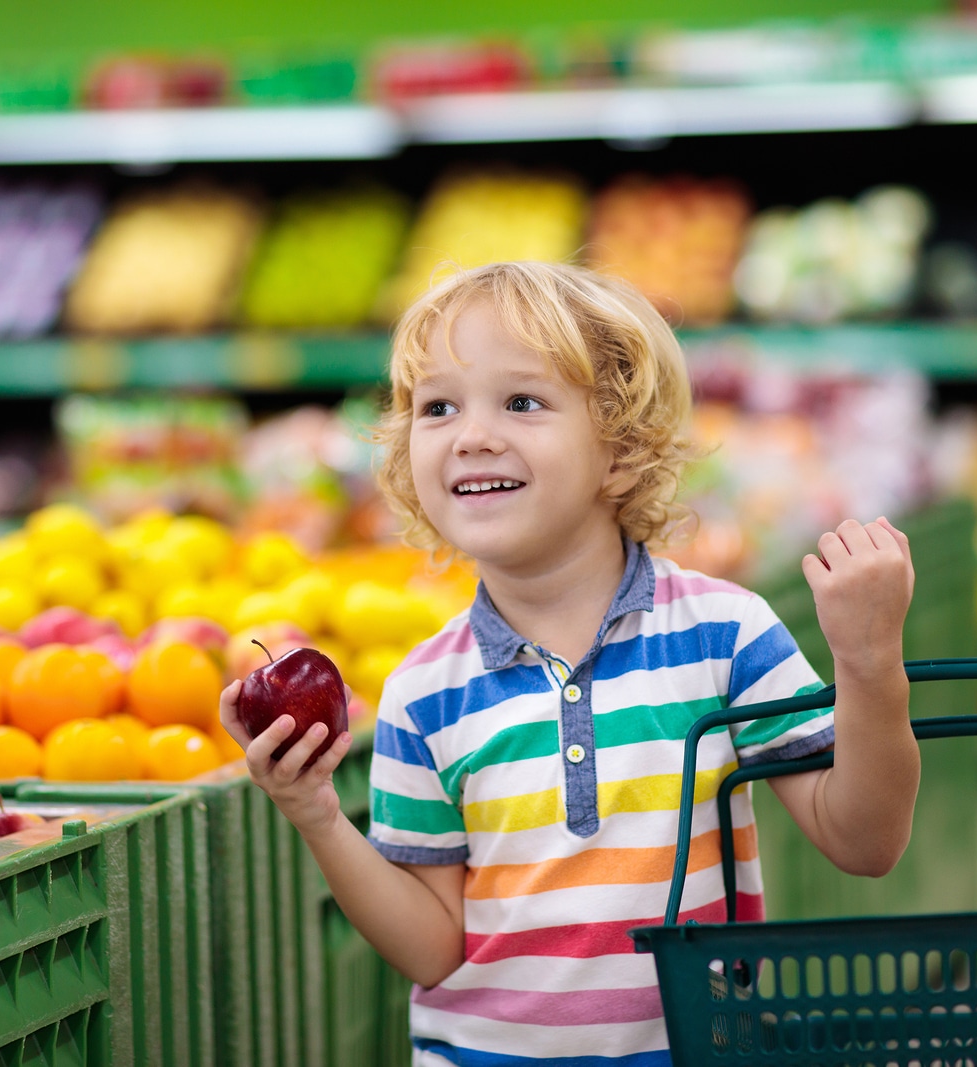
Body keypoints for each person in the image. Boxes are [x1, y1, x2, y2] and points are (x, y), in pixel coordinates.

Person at [218, 260, 920, 1066]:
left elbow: (864, 841)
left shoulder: (723, 635)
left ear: (618, 451)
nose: (471, 433)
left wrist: (869, 666)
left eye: (521, 401)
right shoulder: (423, 693)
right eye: (437, 405)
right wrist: (316, 813)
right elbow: (433, 949)